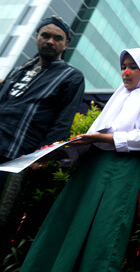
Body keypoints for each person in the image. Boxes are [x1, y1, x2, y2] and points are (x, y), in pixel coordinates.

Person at [7, 48, 140, 272]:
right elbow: (93, 138)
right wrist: (62, 152)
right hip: (90, 170)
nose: (125, 72)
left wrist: (101, 138)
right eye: (123, 66)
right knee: (64, 229)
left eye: (133, 67)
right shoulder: (119, 96)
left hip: (120, 171)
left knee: (101, 240)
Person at [0, 16, 85, 256]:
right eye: (45, 35)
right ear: (36, 37)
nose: (50, 41)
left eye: (57, 38)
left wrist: (43, 156)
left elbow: (63, 121)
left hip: (19, 158)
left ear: (65, 44)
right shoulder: (20, 69)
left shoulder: (70, 76)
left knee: (4, 217)